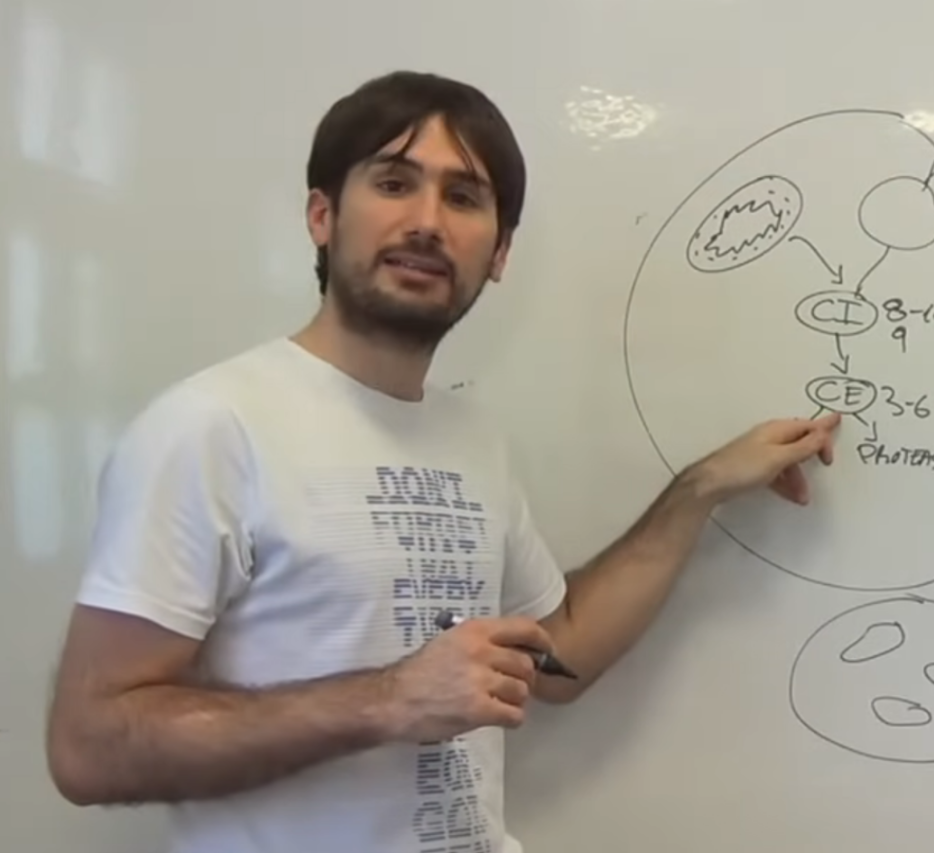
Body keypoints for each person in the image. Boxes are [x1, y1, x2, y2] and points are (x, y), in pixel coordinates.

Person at [43, 70, 842, 853]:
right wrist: (389, 699)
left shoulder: (470, 438)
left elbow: (556, 654)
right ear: (322, 215)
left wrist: (699, 489)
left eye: (463, 197)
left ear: (498, 252)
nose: (427, 221)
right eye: (394, 183)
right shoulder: (211, 427)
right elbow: (89, 745)